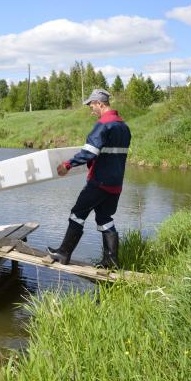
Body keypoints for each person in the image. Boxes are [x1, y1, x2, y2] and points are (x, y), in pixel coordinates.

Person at [47, 89, 131, 268]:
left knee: (77, 214)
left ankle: (63, 253)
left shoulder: (103, 125)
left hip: (99, 182)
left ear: (100, 103)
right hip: (115, 184)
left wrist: (67, 165)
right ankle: (111, 261)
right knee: (104, 218)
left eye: (91, 105)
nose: (91, 109)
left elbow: (88, 152)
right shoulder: (124, 127)